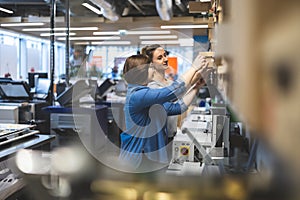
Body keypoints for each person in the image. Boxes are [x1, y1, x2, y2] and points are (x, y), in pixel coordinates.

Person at [119, 53, 209, 172]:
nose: (153, 69)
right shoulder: (137, 95)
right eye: (150, 67)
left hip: (150, 156)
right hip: (139, 158)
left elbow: (177, 108)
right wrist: (193, 68)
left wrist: (197, 86)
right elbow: (172, 91)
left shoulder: (146, 94)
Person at [141, 44, 178, 143]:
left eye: (165, 55)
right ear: (151, 63)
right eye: (160, 58)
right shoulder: (151, 86)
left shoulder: (170, 83)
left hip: (172, 135)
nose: (165, 59)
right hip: (159, 139)